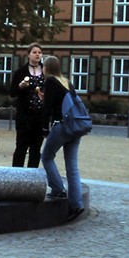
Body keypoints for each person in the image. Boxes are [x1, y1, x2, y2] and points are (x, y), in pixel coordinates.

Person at [40, 54, 85, 222]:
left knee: (46, 157)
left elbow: (48, 108)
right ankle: (76, 204)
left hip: (62, 126)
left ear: (47, 68)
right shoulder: (68, 82)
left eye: (43, 66)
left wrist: (45, 128)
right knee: (72, 168)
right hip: (75, 127)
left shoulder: (50, 82)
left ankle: (58, 188)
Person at [9, 42, 46, 167]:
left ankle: (32, 177)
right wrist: (20, 86)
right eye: (34, 52)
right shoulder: (21, 72)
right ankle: (16, 175)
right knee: (21, 147)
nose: (37, 55)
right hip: (25, 116)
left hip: (40, 116)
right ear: (29, 55)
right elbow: (12, 92)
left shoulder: (45, 72)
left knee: (36, 149)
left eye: (39, 53)